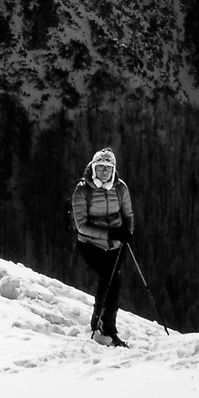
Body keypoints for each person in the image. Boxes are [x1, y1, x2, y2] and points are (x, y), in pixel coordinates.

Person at [72, 146, 134, 345]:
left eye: (108, 168)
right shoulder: (82, 190)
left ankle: (100, 325)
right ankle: (107, 329)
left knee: (110, 282)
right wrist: (112, 233)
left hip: (116, 244)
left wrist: (127, 233)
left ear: (113, 170)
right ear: (93, 168)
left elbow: (128, 214)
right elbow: (81, 226)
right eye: (100, 167)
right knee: (111, 281)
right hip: (91, 245)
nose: (104, 171)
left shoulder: (121, 187)